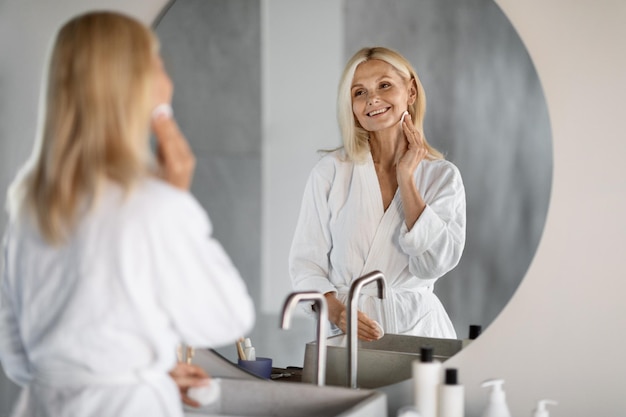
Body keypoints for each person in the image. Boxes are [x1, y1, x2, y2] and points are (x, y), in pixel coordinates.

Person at [0, 11, 254, 417]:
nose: (167, 78)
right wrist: (177, 194)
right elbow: (227, 318)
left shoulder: (28, 209)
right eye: (157, 64)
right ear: (139, 87)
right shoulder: (154, 207)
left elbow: (18, 361)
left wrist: (141, 370)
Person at [289, 47, 466, 341]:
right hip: (350, 336)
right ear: (352, 106)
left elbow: (434, 262)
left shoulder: (442, 177)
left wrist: (406, 179)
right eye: (359, 92)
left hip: (420, 333)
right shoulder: (331, 172)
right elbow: (306, 263)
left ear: (410, 91)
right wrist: (335, 311)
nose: (372, 99)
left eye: (384, 85)